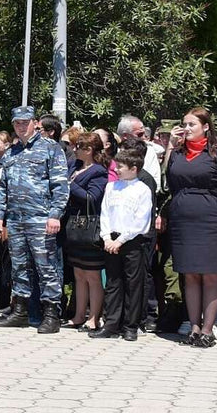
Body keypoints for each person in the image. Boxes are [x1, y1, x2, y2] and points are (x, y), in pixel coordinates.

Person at [162, 107, 217, 347]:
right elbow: (169, 181)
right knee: (190, 275)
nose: (186, 128)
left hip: (210, 222)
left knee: (210, 276)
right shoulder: (177, 153)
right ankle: (193, 328)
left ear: (206, 127)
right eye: (184, 124)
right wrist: (171, 147)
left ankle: (208, 329)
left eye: (191, 124)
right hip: (183, 221)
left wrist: (213, 208)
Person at [0, 108, 69, 334]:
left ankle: (51, 314)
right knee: (19, 267)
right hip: (16, 219)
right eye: (17, 123)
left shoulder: (50, 148)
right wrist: (0, 215)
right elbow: (4, 186)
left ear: (35, 123)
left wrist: (55, 214)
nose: (21, 126)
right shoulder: (11, 153)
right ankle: (21, 311)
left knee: (47, 267)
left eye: (25, 122)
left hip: (41, 218)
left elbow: (60, 185)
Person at [92, 146, 153, 341]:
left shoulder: (142, 189)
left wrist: (121, 240)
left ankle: (131, 325)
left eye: (120, 166)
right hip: (111, 239)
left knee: (133, 284)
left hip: (131, 241)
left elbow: (141, 220)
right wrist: (107, 237)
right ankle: (111, 323)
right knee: (113, 283)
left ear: (133, 168)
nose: (116, 170)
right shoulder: (112, 187)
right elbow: (105, 213)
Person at [64, 130, 108, 331]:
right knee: (79, 274)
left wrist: (71, 186)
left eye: (79, 147)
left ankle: (94, 317)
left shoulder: (98, 171)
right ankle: (79, 314)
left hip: (89, 226)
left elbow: (92, 197)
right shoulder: (74, 166)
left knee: (93, 276)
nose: (75, 150)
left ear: (89, 150)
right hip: (73, 226)